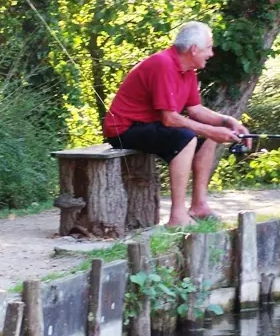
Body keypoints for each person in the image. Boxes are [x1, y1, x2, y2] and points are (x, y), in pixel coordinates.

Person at [103, 21, 251, 227]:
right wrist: (211, 130)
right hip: (124, 130)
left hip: (148, 126)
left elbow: (195, 110)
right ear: (194, 49)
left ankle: (199, 205)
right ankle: (177, 216)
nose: (211, 54)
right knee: (186, 137)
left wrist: (228, 122)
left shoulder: (187, 70)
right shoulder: (163, 64)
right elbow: (169, 118)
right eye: (208, 48)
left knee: (208, 136)